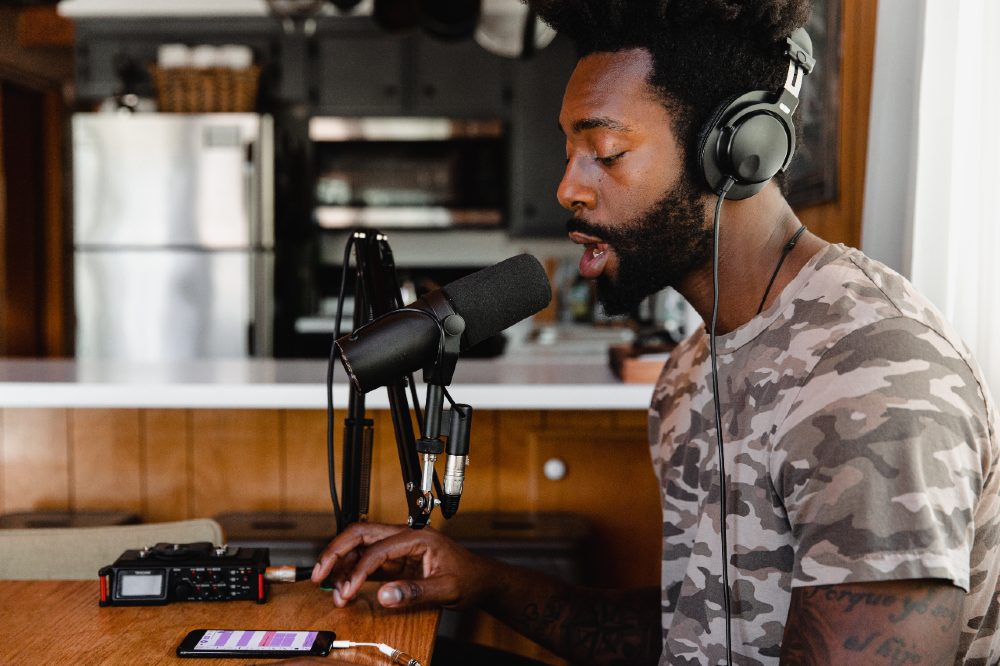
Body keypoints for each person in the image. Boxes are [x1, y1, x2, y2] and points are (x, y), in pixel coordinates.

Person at [312, 1, 1000, 664]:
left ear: (735, 155)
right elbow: (688, 638)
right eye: (570, 150)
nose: (567, 189)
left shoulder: (872, 378)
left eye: (605, 152)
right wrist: (481, 581)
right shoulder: (688, 372)